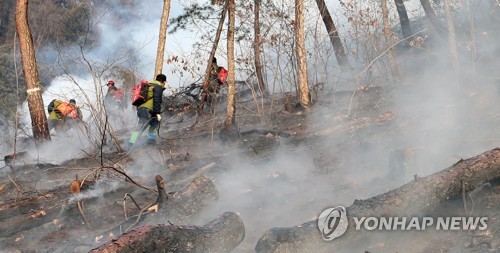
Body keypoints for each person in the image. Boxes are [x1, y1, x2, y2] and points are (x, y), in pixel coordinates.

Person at [128, 74, 167, 147]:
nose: (164, 83)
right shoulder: (158, 87)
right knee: (141, 126)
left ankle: (151, 140)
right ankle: (131, 142)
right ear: (162, 81)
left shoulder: (149, 86)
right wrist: (158, 112)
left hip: (142, 109)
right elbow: (157, 100)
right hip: (148, 109)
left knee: (155, 123)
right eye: (164, 82)